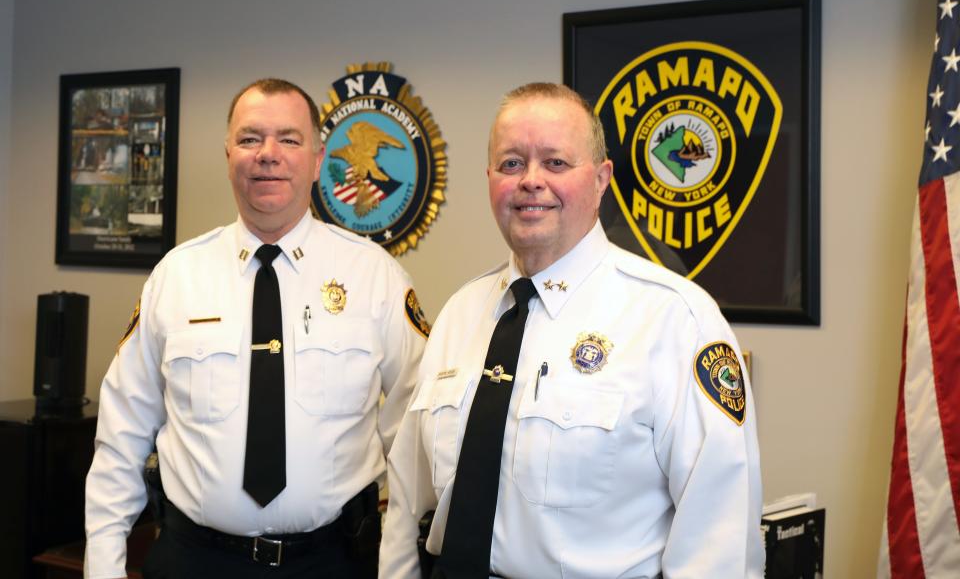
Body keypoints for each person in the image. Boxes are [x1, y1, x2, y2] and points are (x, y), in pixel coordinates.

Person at [379, 82, 763, 578]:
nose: (530, 181)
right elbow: (408, 498)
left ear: (601, 179)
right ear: (490, 178)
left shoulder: (674, 319)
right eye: (511, 163)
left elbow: (720, 539)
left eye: (556, 163)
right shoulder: (460, 313)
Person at [84, 79, 427, 579]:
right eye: (250, 139)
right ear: (229, 155)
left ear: (318, 159)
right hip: (195, 561)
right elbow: (119, 442)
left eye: (288, 139)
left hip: (332, 563)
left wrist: (399, 569)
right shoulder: (175, 278)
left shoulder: (376, 278)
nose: (268, 154)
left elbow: (414, 446)